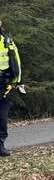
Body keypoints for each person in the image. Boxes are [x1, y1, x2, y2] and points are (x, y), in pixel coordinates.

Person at [0, 19, 22, 157]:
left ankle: (0, 144)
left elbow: (16, 60)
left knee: (2, 117)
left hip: (4, 83)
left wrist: (20, 81)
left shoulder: (7, 41)